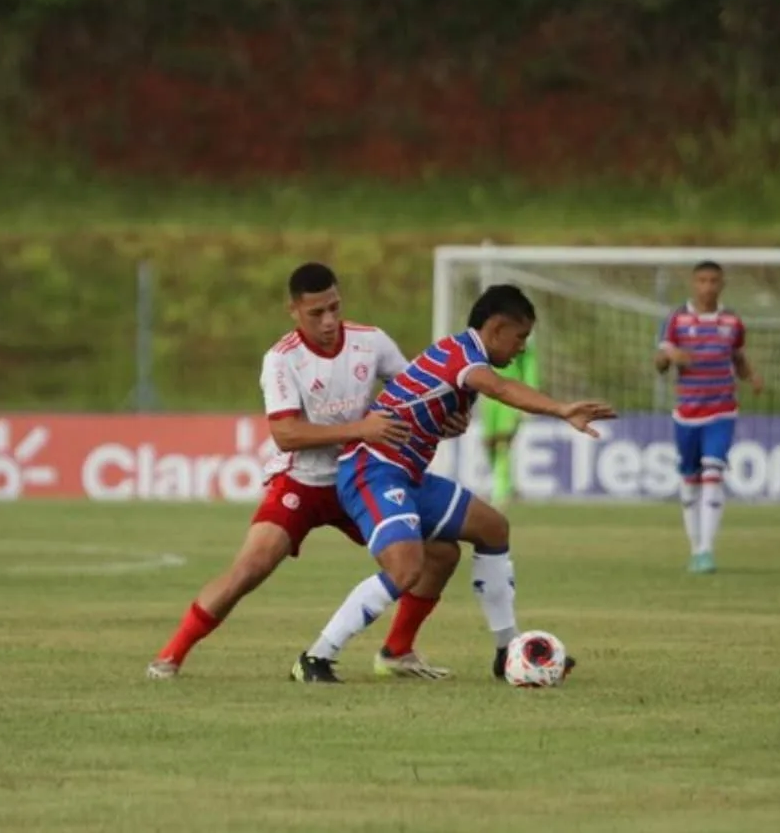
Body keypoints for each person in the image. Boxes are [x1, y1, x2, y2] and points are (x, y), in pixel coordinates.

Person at [146, 263, 465, 680]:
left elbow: (415, 395)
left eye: (334, 308)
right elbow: (286, 434)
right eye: (316, 313)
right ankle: (170, 655)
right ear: (293, 311)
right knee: (250, 568)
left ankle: (398, 652)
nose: (329, 321)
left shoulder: (371, 342)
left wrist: (445, 417)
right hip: (302, 482)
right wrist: (362, 429)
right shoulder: (282, 360)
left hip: (360, 479)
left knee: (441, 552)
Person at [290, 284, 615, 683]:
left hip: (405, 474)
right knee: (406, 567)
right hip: (370, 469)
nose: (521, 348)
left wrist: (441, 425)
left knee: (490, 529)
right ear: (495, 329)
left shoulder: (459, 353)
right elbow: (501, 388)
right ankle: (315, 658)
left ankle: (500, 651)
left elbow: (423, 411)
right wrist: (561, 409)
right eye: (520, 337)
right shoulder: (465, 358)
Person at [654, 260, 763, 574]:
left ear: (722, 284)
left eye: (714, 280)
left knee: (713, 472)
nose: (707, 286)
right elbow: (659, 364)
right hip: (687, 412)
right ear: (693, 283)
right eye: (702, 280)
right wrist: (669, 356)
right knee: (690, 480)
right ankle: (694, 547)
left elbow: (738, 357)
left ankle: (705, 551)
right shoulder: (676, 319)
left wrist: (751, 376)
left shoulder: (731, 321)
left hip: (722, 409)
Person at [480, 337, 539, 508]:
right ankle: (503, 484)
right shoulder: (485, 330)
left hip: (511, 392)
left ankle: (501, 491)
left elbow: (530, 364)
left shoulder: (522, 335)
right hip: (488, 396)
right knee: (489, 443)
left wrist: (530, 396)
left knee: (503, 442)